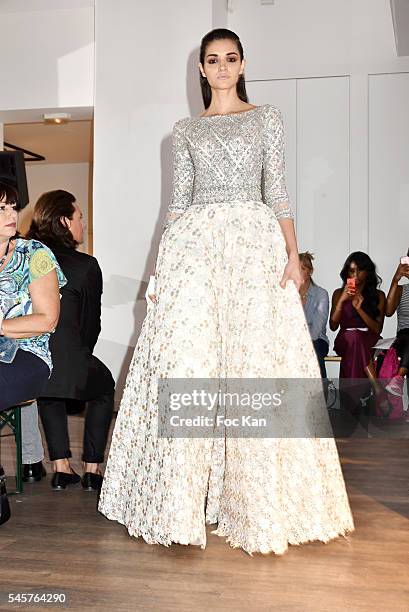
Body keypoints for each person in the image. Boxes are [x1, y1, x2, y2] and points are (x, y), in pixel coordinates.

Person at [99, 28, 354, 555]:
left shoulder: (267, 118)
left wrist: (292, 253)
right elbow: (177, 204)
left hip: (253, 246)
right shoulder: (184, 130)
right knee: (191, 361)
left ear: (242, 64)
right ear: (201, 69)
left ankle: (255, 500)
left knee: (252, 360)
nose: (220, 68)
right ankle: (183, 500)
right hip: (195, 249)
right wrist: (161, 268)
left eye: (229, 59)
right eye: (211, 60)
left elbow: (277, 189)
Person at [27, 190, 115, 492]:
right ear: (65, 220)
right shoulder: (85, 266)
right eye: (80, 218)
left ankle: (61, 468)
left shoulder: (26, 257)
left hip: (33, 360)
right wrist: (81, 355)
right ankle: (93, 468)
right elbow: (92, 324)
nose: (84, 224)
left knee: (50, 389)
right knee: (104, 387)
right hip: (70, 357)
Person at [0, 182, 66, 410]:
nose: (11, 214)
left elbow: (47, 320)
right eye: (2, 208)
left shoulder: (34, 254)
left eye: (13, 207)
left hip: (27, 353)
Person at [330, 252, 385, 412]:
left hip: (369, 337)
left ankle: (351, 404)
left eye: (359, 270)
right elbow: (333, 326)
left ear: (367, 272)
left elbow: (376, 328)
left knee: (357, 342)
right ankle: (377, 389)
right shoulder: (338, 294)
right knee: (353, 337)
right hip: (344, 338)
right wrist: (342, 300)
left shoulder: (378, 296)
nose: (355, 274)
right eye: (351, 270)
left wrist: (359, 309)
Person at [298, 251, 329, 379]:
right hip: (293, 341)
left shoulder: (320, 294)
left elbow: (316, 331)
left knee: (313, 350)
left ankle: (321, 393)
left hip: (317, 341)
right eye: (295, 269)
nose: (298, 273)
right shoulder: (287, 295)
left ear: (310, 271)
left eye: (302, 269)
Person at [384, 254, 409, 398]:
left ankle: (398, 378)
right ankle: (398, 379)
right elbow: (388, 312)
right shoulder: (401, 290)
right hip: (404, 337)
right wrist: (395, 279)